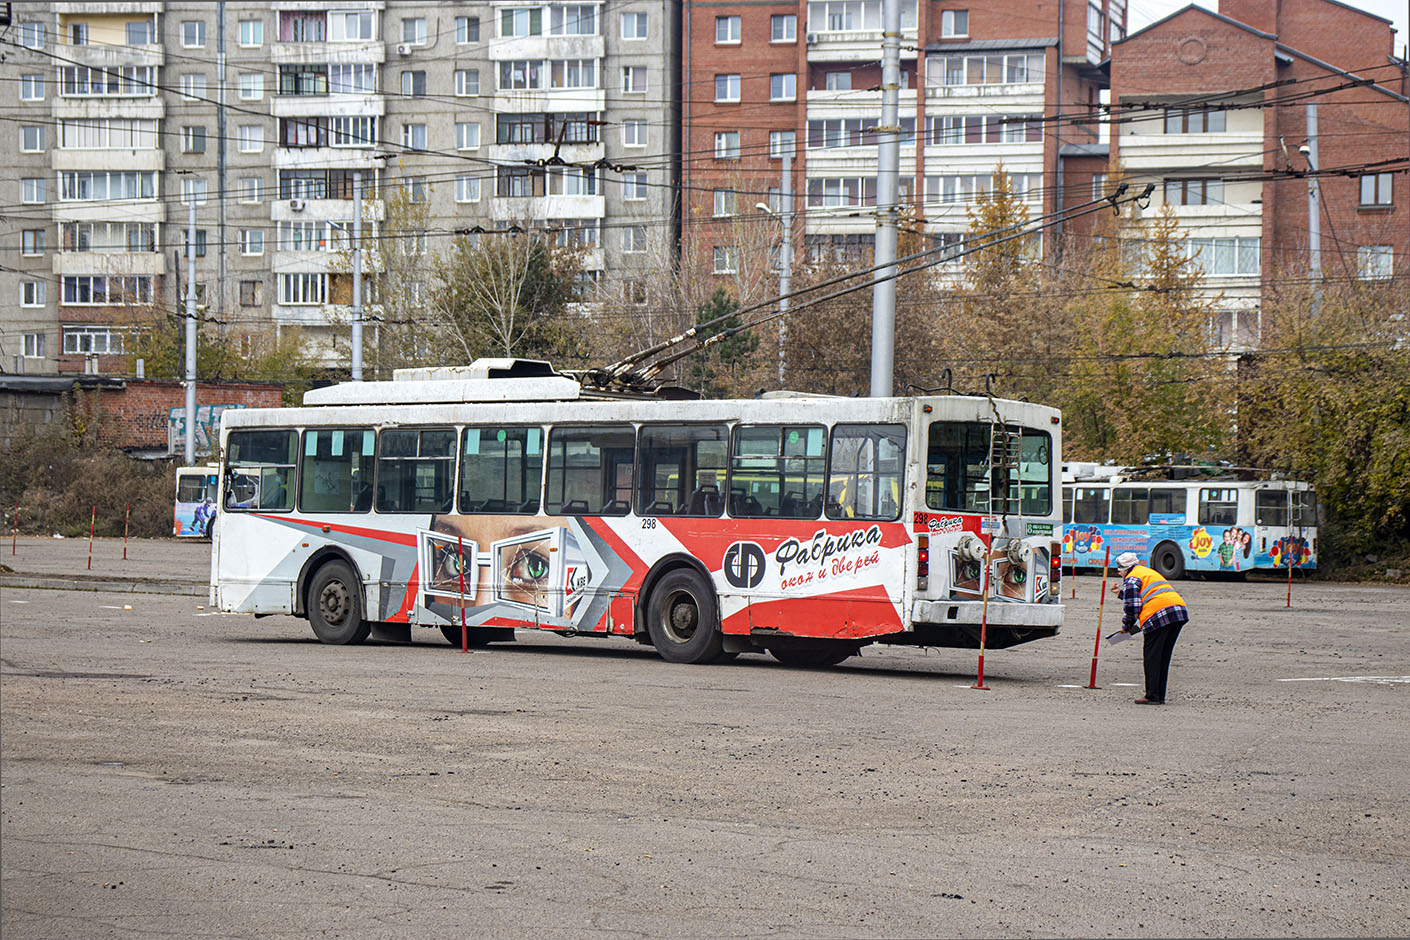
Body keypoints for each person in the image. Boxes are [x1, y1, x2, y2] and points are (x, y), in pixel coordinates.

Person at [1115, 550, 1190, 705]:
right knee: (1163, 656)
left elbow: (1133, 605)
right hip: (1178, 611)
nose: (1118, 572)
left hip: (1158, 615)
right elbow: (1147, 594)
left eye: (1120, 569)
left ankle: (1152, 695)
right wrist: (1120, 593)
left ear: (1125, 569)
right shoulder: (1146, 572)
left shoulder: (1130, 579)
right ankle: (1159, 695)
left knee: (1152, 657)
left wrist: (1126, 627)